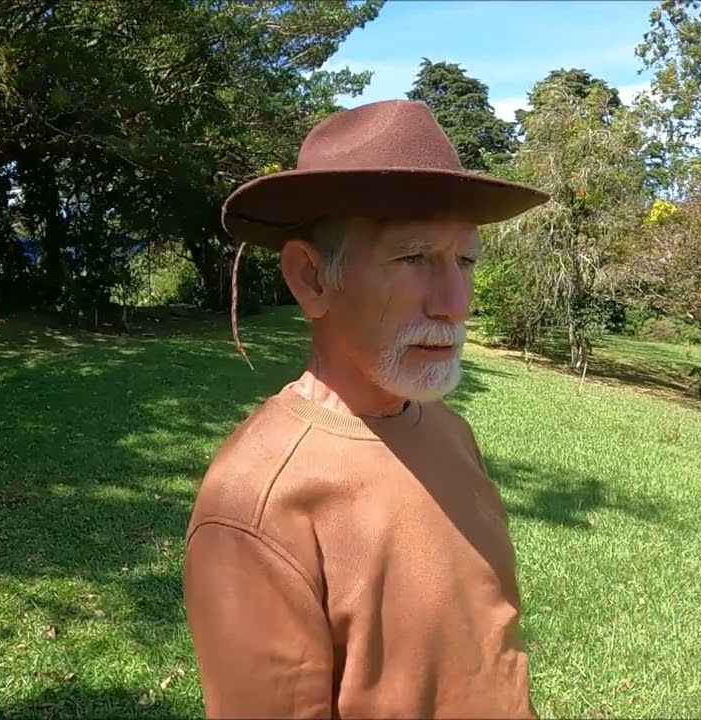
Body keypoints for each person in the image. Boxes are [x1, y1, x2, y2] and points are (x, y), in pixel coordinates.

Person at [181, 98, 551, 719]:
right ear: (311, 278)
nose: (455, 304)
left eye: (465, 260)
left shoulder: (449, 431)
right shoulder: (257, 504)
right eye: (413, 258)